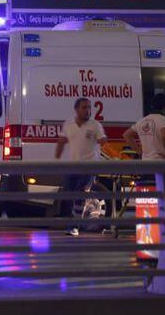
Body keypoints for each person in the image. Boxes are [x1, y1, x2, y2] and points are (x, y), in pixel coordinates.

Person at [55, 97, 107, 236]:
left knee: (80, 193)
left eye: (89, 107)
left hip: (89, 167)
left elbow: (102, 139)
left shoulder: (95, 125)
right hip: (72, 167)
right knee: (68, 195)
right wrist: (57, 158)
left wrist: (103, 140)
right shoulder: (69, 124)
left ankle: (74, 226)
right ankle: (73, 221)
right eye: (84, 107)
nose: (88, 110)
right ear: (76, 109)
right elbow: (62, 141)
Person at [123, 93, 165, 162]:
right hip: (159, 162)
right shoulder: (164, 120)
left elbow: (126, 135)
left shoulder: (141, 121)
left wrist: (139, 152)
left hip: (145, 162)